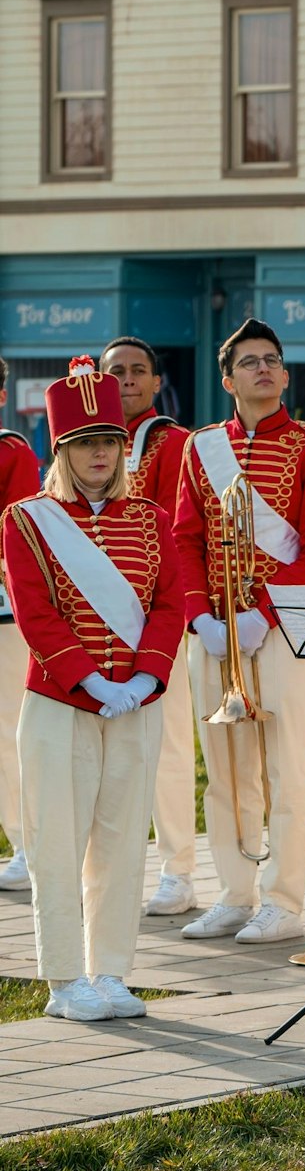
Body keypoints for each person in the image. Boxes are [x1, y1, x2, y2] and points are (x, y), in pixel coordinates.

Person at [1, 366, 184, 1020]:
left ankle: (110, 970)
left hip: (134, 703)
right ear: (62, 451)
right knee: (56, 841)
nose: (99, 453)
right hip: (60, 704)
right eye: (83, 442)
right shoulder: (27, 519)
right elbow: (36, 613)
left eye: (108, 439)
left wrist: (142, 678)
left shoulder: (151, 517)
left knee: (123, 839)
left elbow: (170, 603)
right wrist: (89, 678)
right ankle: (62, 981)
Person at [173, 319, 305, 946]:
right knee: (224, 769)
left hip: (280, 626)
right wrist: (201, 616)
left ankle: (285, 901)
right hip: (214, 628)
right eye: (250, 362)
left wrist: (261, 615)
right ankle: (235, 893)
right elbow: (185, 537)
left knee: (289, 770)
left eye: (272, 360)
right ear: (228, 379)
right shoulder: (200, 447)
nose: (263, 369)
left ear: (286, 375)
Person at [99, 336, 201, 918]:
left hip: (156, 614)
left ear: (157, 382)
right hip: (94, 620)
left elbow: (171, 530)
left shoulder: (173, 443)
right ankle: (113, 866)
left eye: (139, 371)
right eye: (117, 372)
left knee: (166, 748)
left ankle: (178, 870)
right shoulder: (83, 442)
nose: (129, 380)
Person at [0, 354, 44, 896]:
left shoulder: (10, 450)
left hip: (5, 612)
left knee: (12, 730)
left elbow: (13, 528)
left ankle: (30, 843)